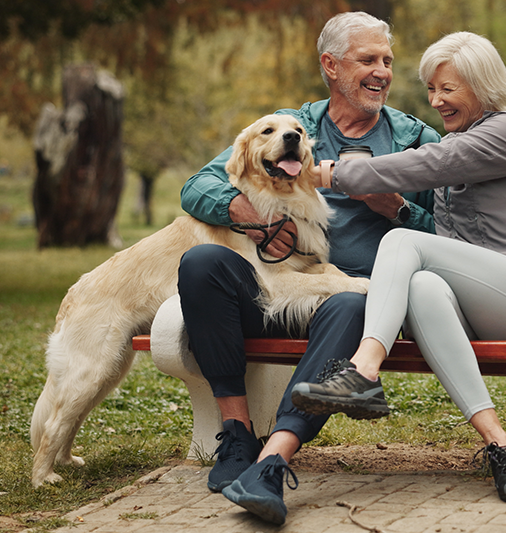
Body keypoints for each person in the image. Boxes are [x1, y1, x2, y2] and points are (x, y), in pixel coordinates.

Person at [177, 11, 440, 525]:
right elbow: (197, 186)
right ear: (331, 66)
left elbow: (454, 234)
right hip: (274, 286)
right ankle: (234, 436)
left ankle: (272, 461)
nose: (382, 72)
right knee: (203, 261)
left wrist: (401, 211)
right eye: (368, 60)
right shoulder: (290, 126)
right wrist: (247, 214)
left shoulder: (414, 139)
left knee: (347, 301)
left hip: (352, 302)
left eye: (387, 61)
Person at [290, 32, 506, 503]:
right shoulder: (462, 140)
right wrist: (400, 212)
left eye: (449, 89)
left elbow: (431, 162)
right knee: (420, 285)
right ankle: (503, 445)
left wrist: (330, 173)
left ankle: (363, 369)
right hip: (483, 303)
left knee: (403, 245)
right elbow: (448, 241)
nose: (436, 101)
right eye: (431, 90)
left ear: (482, 85)